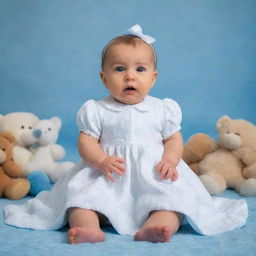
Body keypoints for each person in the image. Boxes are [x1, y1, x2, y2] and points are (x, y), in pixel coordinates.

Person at [4, 24, 247, 244]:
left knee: (174, 203)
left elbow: (173, 138)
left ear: (153, 78)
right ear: (104, 78)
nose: (130, 76)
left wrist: (170, 160)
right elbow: (86, 141)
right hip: (107, 175)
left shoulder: (163, 109)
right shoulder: (97, 110)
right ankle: (87, 228)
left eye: (140, 69)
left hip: (153, 175)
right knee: (80, 201)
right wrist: (101, 161)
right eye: (119, 69)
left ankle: (157, 226)